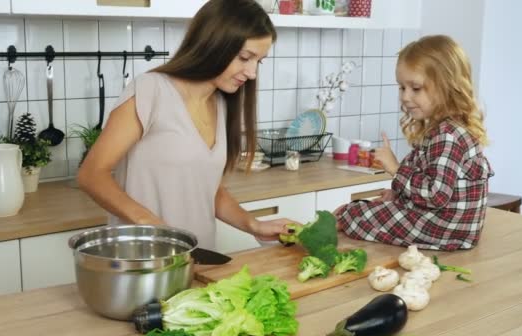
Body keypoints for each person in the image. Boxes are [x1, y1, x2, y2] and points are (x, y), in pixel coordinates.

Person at [77, 0, 294, 250]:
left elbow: (206, 189)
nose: (252, 72)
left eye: (259, 61)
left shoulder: (222, 103)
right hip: (144, 262)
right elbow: (92, 175)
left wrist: (254, 225)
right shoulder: (151, 90)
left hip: (197, 260)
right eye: (245, 57)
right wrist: (156, 228)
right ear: (213, 44)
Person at [335, 35, 493, 251]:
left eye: (416, 88)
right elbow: (432, 180)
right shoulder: (444, 130)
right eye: (402, 87)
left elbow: (436, 195)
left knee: (353, 213)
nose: (405, 97)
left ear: (447, 87)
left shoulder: (447, 135)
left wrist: (396, 169)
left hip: (444, 228)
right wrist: (398, 194)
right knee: (362, 209)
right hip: (447, 225)